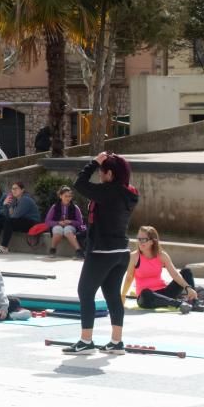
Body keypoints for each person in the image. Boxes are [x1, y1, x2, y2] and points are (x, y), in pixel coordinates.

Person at [63, 152, 140, 355]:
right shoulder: (129, 193)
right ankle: (116, 342)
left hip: (102, 250)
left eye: (101, 172)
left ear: (110, 174)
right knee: (112, 294)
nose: (99, 176)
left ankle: (86, 341)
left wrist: (93, 162)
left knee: (85, 292)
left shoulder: (108, 192)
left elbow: (79, 184)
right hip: (121, 251)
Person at [121, 226, 204, 313]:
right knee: (145, 293)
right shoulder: (134, 256)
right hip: (147, 297)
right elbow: (129, 277)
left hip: (165, 293)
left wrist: (188, 288)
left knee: (186, 272)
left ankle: (194, 302)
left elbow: (175, 274)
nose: (140, 242)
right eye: (138, 239)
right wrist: (123, 295)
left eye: (143, 239)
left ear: (152, 241)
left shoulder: (162, 255)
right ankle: (178, 304)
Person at [0, 182, 40, 254]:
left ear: (22, 190)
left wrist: (10, 211)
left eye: (16, 188)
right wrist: (5, 205)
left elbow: (14, 216)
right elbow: (7, 216)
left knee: (9, 221)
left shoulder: (25, 199)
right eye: (12, 189)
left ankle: (4, 247)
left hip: (32, 223)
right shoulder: (15, 200)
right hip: (21, 221)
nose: (14, 190)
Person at [45, 186, 87, 258]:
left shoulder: (75, 207)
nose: (68, 198)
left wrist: (70, 221)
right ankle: (53, 249)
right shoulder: (54, 207)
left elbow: (80, 222)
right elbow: (47, 221)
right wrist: (58, 223)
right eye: (66, 196)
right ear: (60, 196)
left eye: (69, 196)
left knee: (67, 229)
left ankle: (78, 251)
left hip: (71, 227)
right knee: (58, 229)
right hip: (57, 226)